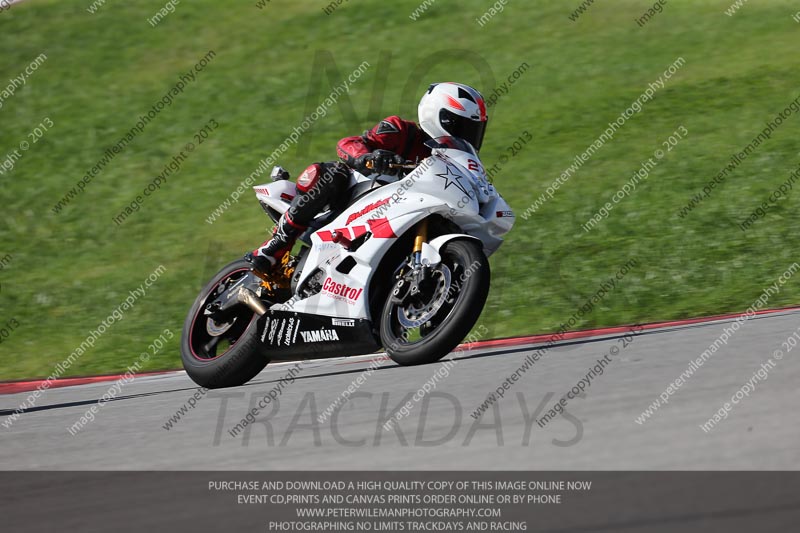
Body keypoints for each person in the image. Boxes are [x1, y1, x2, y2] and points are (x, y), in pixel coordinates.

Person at [246, 82, 488, 272]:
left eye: (473, 131)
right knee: (334, 174)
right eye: (461, 127)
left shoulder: (450, 160)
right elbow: (348, 144)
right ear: (440, 117)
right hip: (355, 196)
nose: (467, 136)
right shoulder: (402, 131)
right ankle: (276, 245)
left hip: (400, 213)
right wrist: (367, 157)